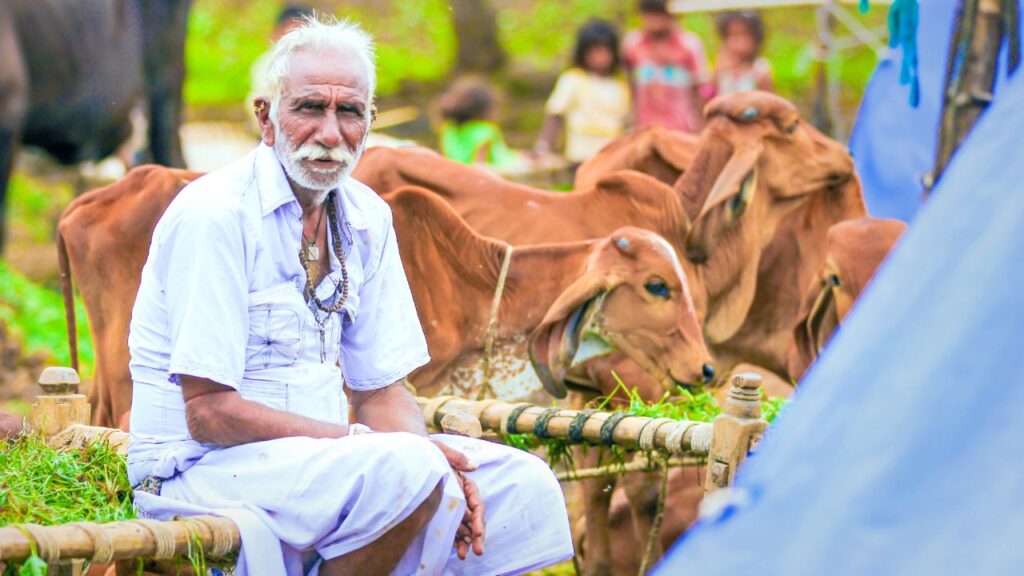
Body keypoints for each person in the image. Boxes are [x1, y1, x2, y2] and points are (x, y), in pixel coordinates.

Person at [127, 16, 573, 576]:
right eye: (309, 108)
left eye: (349, 112)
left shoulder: (366, 217)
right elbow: (209, 414)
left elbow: (381, 389)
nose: (330, 133)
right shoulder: (216, 214)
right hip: (200, 467)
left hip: (325, 463)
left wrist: (428, 462)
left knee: (524, 483)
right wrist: (379, 450)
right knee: (410, 470)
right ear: (266, 118)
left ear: (370, 122)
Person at [535, 19, 631, 167]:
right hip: (581, 157)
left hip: (613, 158)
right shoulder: (573, 80)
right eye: (595, 50)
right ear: (584, 53)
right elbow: (555, 114)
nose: (600, 56)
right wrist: (543, 146)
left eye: (605, 50)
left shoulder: (619, 85)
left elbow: (626, 122)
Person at [622, 0, 712, 133]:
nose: (655, 20)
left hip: (681, 131)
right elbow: (629, 86)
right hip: (643, 130)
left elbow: (700, 89)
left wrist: (700, 126)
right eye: (650, 13)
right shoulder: (632, 43)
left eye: (659, 13)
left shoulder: (690, 45)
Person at [247, 6, 316, 128]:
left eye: (301, 31)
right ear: (277, 32)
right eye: (290, 30)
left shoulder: (320, 60)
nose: (295, 37)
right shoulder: (266, 62)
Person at [436, 76, 518, 169]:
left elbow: (478, 166)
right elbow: (479, 166)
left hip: (501, 164)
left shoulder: (449, 129)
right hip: (499, 165)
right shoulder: (483, 130)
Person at [713, 11, 773, 96]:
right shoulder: (722, 67)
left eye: (743, 34)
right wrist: (716, 73)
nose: (738, 40)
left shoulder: (760, 69)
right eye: (732, 35)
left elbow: (768, 101)